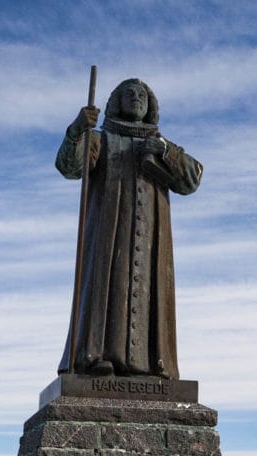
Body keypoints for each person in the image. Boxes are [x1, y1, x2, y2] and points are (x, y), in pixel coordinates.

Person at [56, 78, 202, 379]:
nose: (135, 98)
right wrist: (76, 130)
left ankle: (151, 363)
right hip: (108, 235)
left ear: (151, 106)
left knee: (149, 293)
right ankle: (95, 357)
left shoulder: (161, 145)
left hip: (152, 244)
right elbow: (69, 166)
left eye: (141, 95)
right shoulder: (101, 140)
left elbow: (192, 180)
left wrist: (165, 151)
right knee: (106, 287)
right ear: (116, 103)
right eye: (128, 94)